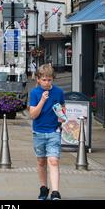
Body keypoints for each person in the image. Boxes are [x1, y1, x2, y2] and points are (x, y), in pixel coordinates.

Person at [29, 64, 65, 200]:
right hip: (38, 132)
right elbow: (33, 114)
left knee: (53, 160)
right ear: (38, 79)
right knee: (41, 162)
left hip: (54, 131)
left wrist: (62, 116)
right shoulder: (35, 93)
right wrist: (43, 100)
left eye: (49, 80)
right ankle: (44, 188)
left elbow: (62, 108)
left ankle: (55, 192)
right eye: (44, 80)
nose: (46, 82)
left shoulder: (59, 92)